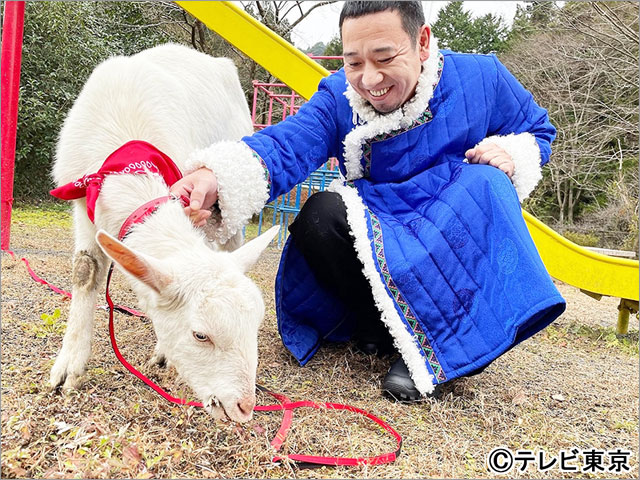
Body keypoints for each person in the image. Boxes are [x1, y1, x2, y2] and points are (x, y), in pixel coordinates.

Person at [171, 1, 566, 401]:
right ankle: (377, 325)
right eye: (354, 62)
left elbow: (535, 128)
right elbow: (287, 143)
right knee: (319, 213)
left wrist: (511, 153)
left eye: (384, 57)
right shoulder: (339, 95)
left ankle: (436, 351)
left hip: (451, 215)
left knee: (487, 182)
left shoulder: (483, 77)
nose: (369, 78)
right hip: (382, 219)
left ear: (422, 42)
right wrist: (214, 176)